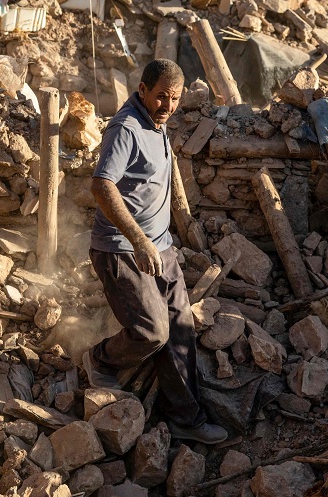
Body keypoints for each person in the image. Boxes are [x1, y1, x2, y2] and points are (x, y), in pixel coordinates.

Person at [84, 59, 228, 444]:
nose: (168, 105)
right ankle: (100, 358)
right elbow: (102, 185)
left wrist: (159, 240)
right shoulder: (127, 128)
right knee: (152, 332)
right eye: (161, 96)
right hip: (122, 250)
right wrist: (139, 239)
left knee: (181, 331)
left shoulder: (157, 124)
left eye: (175, 98)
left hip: (160, 248)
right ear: (143, 90)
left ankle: (186, 418)